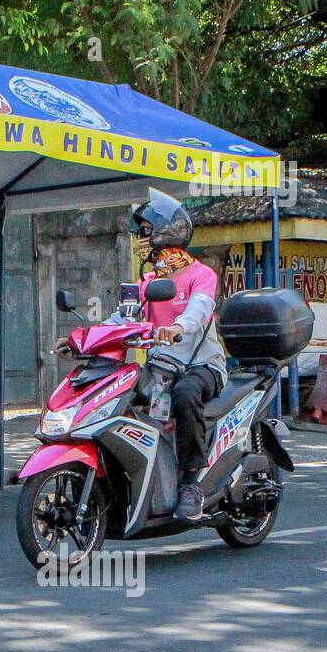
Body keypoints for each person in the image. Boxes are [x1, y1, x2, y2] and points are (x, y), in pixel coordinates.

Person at [57, 188, 226, 520]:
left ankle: (191, 482)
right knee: (123, 401)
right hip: (161, 368)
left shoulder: (201, 276)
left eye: (146, 233)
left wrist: (177, 327)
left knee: (186, 394)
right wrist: (82, 340)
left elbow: (199, 309)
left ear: (167, 235)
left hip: (201, 366)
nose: (141, 240)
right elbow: (122, 318)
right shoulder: (147, 281)